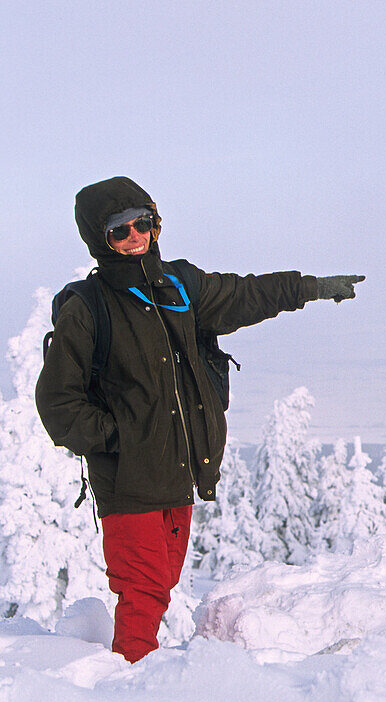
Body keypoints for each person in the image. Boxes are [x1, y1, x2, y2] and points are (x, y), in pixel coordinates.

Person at [35, 176, 364, 663]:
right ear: (97, 241)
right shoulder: (89, 309)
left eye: (142, 223)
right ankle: (131, 692)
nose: (135, 236)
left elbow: (245, 295)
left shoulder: (178, 287)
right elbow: (58, 403)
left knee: (160, 584)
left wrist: (309, 288)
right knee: (143, 592)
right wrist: (121, 438)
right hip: (129, 480)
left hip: (181, 472)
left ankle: (137, 679)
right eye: (119, 231)